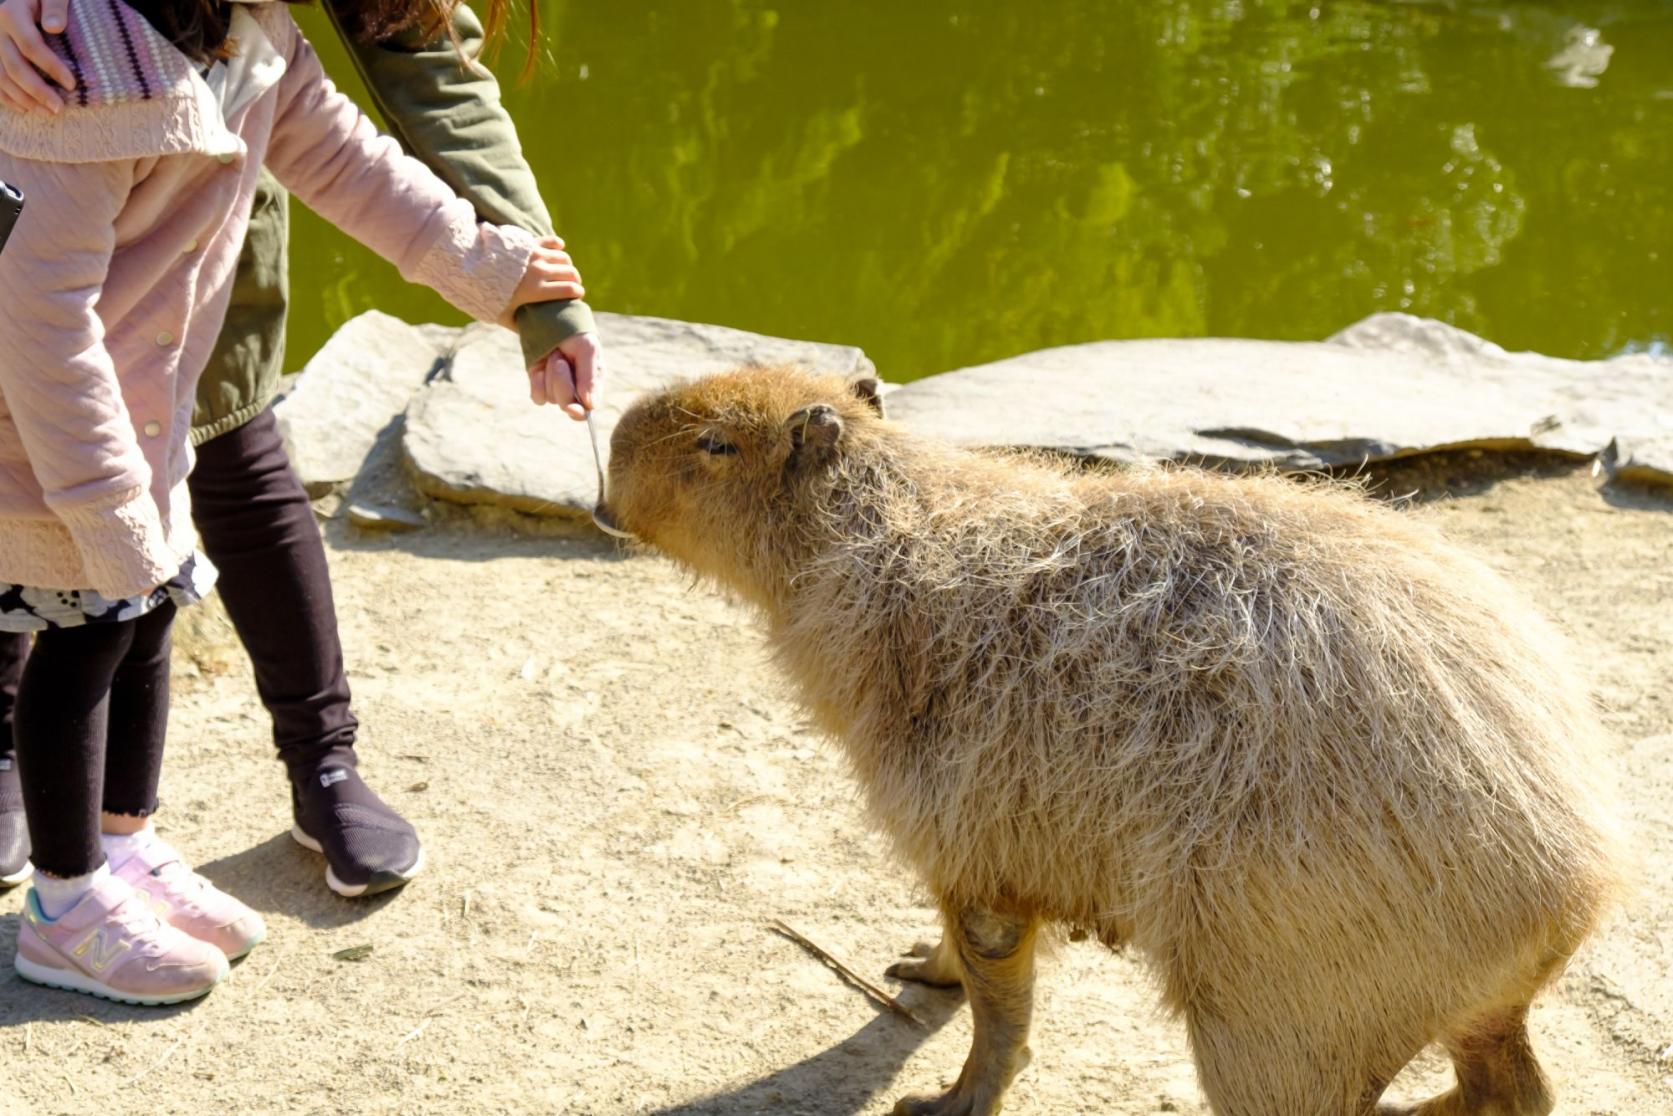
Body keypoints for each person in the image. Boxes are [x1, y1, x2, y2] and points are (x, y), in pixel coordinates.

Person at [0, 0, 589, 1003]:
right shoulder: (83, 83)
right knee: (86, 636)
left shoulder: (256, 32)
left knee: (145, 619)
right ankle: (64, 906)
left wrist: (496, 272)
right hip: (45, 436)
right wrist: (102, 505)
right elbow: (36, 320)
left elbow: (352, 164)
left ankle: (123, 848)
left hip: (147, 402)